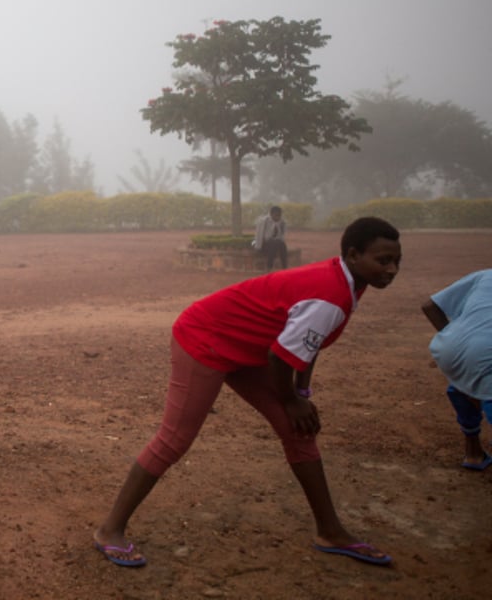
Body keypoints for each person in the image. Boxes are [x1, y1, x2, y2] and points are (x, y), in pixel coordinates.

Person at [94, 217, 402, 569]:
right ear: (351, 254)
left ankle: (330, 531)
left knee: (297, 429)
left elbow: (306, 345)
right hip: (205, 339)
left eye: (397, 262)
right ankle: (109, 530)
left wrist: (301, 393)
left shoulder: (348, 283)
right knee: (174, 438)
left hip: (247, 346)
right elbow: (281, 355)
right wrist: (290, 398)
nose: (392, 270)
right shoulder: (332, 294)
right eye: (383, 261)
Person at [421, 269, 492, 471]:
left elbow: (429, 306)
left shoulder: (486, 274)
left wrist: (457, 342)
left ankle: (473, 453)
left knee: (464, 386)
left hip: (450, 348)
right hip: (486, 354)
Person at [254, 205, 288, 271]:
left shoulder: (282, 222)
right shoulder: (264, 221)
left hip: (276, 243)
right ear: (271, 214)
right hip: (265, 244)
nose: (278, 217)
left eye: (279, 216)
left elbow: (282, 235)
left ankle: (285, 266)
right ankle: (269, 266)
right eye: (276, 215)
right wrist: (258, 247)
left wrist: (280, 241)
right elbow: (259, 234)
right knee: (273, 243)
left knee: (282, 245)